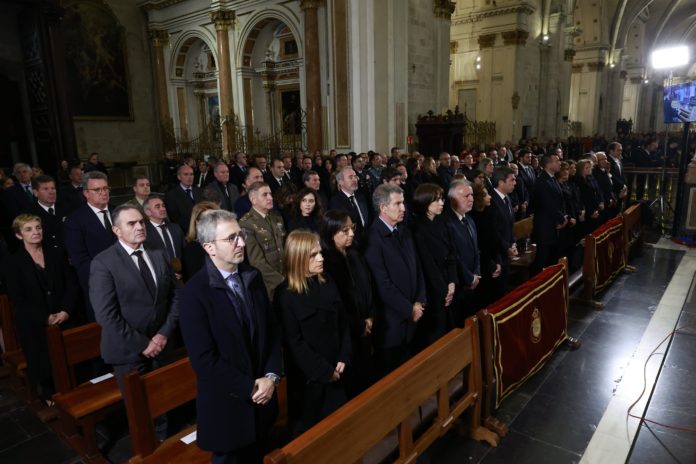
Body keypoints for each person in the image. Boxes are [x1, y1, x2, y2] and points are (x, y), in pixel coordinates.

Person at [179, 210, 282, 464]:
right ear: (209, 247)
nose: (242, 243)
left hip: (263, 404)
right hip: (228, 410)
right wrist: (250, 388)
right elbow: (204, 361)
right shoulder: (194, 293)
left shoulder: (253, 277)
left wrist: (271, 376)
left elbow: (272, 332)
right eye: (232, 238)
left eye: (241, 235)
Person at [89, 205, 179, 399]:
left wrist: (163, 334)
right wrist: (143, 344)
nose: (140, 227)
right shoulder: (103, 263)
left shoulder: (159, 253)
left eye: (141, 222)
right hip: (129, 351)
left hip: (162, 343)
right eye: (132, 223)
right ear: (117, 230)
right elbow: (106, 315)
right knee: (142, 410)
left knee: (166, 400)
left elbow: (176, 296)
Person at [276, 230, 351, 435]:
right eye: (313, 255)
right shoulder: (285, 295)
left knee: (343, 435)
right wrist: (326, 372)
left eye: (320, 252)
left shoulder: (327, 281)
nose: (321, 258)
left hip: (338, 370)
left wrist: (344, 356)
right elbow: (294, 343)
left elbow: (343, 322)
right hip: (310, 382)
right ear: (299, 258)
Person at [4, 214, 77, 400]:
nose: (36, 232)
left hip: (63, 319)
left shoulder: (56, 253)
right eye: (29, 229)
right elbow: (18, 299)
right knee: (44, 367)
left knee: (70, 366)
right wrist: (44, 318)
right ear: (19, 235)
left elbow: (71, 284)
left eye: (38, 227)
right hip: (35, 325)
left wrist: (65, 311)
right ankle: (50, 398)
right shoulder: (13, 263)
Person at [365, 184, 426, 376]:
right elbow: (382, 285)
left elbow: (418, 269)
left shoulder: (404, 231)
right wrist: (409, 309)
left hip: (413, 317)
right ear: (383, 208)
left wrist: (420, 300)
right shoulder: (372, 238)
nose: (404, 208)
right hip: (391, 325)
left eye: (403, 203)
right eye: (397, 204)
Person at [320, 210, 375, 396]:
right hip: (347, 336)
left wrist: (370, 316)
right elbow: (337, 306)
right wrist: (359, 325)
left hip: (367, 326)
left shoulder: (354, 255)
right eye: (345, 231)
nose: (352, 234)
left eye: (352, 228)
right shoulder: (326, 264)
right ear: (331, 234)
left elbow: (369, 286)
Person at [64, 171, 117, 322]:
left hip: (126, 281)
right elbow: (80, 260)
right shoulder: (75, 220)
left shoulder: (118, 212)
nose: (103, 193)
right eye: (97, 190)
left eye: (106, 188)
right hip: (98, 284)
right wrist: (106, 277)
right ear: (86, 193)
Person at [409, 183, 457, 345]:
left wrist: (452, 282)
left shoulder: (441, 221)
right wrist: (445, 290)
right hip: (433, 289)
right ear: (424, 203)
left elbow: (451, 253)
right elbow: (428, 265)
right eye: (436, 200)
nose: (442, 203)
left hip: (447, 283)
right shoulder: (417, 228)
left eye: (442, 199)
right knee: (437, 333)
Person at [239, 182, 286, 300]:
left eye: (270, 193)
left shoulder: (277, 217)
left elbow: (286, 247)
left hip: (287, 276)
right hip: (269, 285)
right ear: (253, 199)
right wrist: (281, 281)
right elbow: (257, 262)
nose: (270, 197)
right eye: (265, 195)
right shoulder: (246, 223)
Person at [443, 180, 480, 324]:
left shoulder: (469, 219)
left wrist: (476, 273)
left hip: (474, 282)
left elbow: (476, 249)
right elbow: (453, 257)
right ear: (453, 199)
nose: (471, 198)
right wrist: (469, 278)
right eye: (466, 196)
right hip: (459, 286)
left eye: (471, 195)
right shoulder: (446, 222)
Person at [531, 154, 567, 274]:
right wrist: (562, 218)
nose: (560, 163)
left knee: (551, 259)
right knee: (542, 261)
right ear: (548, 164)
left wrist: (563, 217)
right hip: (545, 227)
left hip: (553, 224)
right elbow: (548, 205)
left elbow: (559, 201)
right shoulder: (542, 181)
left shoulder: (552, 178)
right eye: (557, 161)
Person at [470, 183, 504, 309]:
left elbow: (495, 239)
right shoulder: (473, 217)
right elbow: (479, 246)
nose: (489, 197)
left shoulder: (490, 212)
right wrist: (491, 263)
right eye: (485, 195)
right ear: (478, 198)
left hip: (494, 260)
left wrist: (498, 261)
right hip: (484, 265)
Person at [329, 167, 370, 247]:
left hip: (368, 241)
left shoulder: (361, 197)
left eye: (355, 176)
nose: (355, 179)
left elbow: (368, 219)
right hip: (351, 245)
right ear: (341, 182)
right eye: (350, 177)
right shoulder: (335, 201)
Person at [181, 201, 220, 282]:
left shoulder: (226, 242)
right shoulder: (191, 250)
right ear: (197, 222)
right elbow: (195, 281)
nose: (212, 223)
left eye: (214, 218)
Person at [28, 175, 67, 250]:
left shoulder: (67, 208)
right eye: (46, 189)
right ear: (35, 193)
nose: (51, 192)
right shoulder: (30, 214)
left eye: (53, 188)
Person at [143, 195, 185, 262]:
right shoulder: (143, 232)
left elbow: (184, 251)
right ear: (148, 212)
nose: (163, 209)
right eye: (157, 207)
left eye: (163, 206)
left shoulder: (175, 228)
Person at [164, 164, 203, 231]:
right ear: (179, 177)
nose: (189, 177)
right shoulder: (171, 195)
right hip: (185, 233)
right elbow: (175, 219)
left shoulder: (200, 191)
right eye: (186, 174)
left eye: (191, 174)